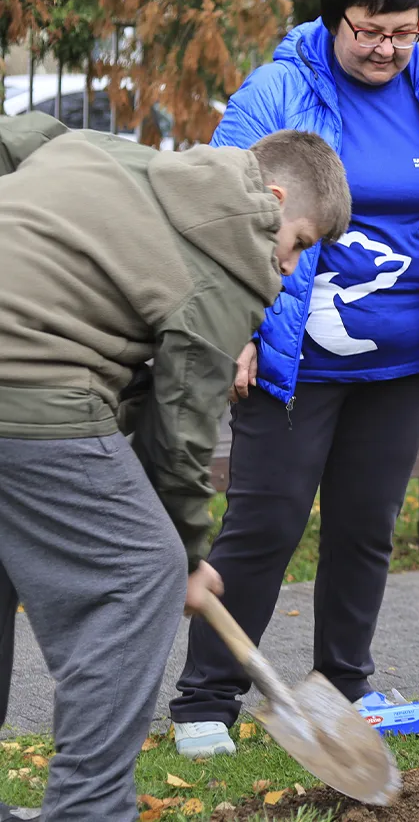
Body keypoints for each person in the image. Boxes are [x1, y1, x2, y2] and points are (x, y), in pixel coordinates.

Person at [168, 0, 419, 758]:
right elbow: (220, 215)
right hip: (293, 359)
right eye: (370, 31)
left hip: (397, 365)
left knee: (365, 528)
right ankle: (205, 701)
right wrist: (237, 331)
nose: (387, 48)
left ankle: (346, 682)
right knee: (266, 525)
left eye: (405, 32)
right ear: (335, 19)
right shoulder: (278, 89)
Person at [0, 112, 349, 821]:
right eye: (299, 246)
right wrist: (186, 558)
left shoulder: (112, 156)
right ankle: (90, 810)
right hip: (31, 387)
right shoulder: (232, 263)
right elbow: (180, 434)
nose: (287, 268)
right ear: (274, 204)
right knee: (138, 575)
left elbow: (20, 135)